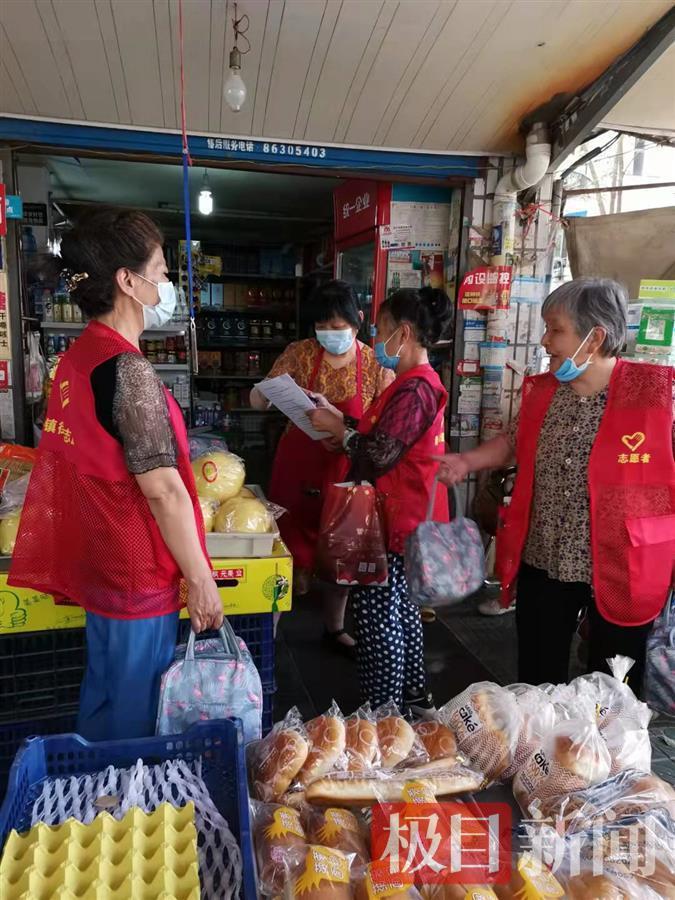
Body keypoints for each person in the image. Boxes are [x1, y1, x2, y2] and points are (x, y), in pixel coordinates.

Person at [9, 208, 223, 740]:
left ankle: (92, 786)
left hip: (101, 560)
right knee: (135, 717)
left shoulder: (77, 359)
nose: (167, 285)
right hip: (136, 571)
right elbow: (164, 491)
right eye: (162, 271)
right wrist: (201, 580)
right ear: (128, 281)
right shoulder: (128, 369)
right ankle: (124, 789)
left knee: (104, 696)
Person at [436, 277, 675, 693]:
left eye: (555, 329)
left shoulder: (656, 395)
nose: (545, 341)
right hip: (546, 556)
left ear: (595, 337)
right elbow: (513, 442)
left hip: (623, 565)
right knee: (537, 678)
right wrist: (466, 461)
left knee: (613, 689)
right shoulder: (544, 392)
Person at [307, 287, 451, 713]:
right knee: (402, 612)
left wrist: (340, 430)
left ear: (403, 333)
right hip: (405, 519)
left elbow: (379, 454)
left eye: (382, 328)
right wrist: (342, 421)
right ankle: (413, 697)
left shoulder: (414, 389)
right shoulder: (412, 384)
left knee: (378, 621)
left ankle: (383, 712)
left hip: (394, 523)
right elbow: (385, 436)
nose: (375, 337)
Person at [250, 280, 392, 656]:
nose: (329, 333)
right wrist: (263, 393)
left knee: (341, 551)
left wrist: (345, 428)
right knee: (282, 549)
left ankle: (334, 627)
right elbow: (258, 398)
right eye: (321, 326)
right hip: (296, 471)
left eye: (337, 326)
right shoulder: (299, 354)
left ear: (357, 320)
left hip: (346, 473)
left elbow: (387, 427)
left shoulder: (375, 364)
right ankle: (268, 634)